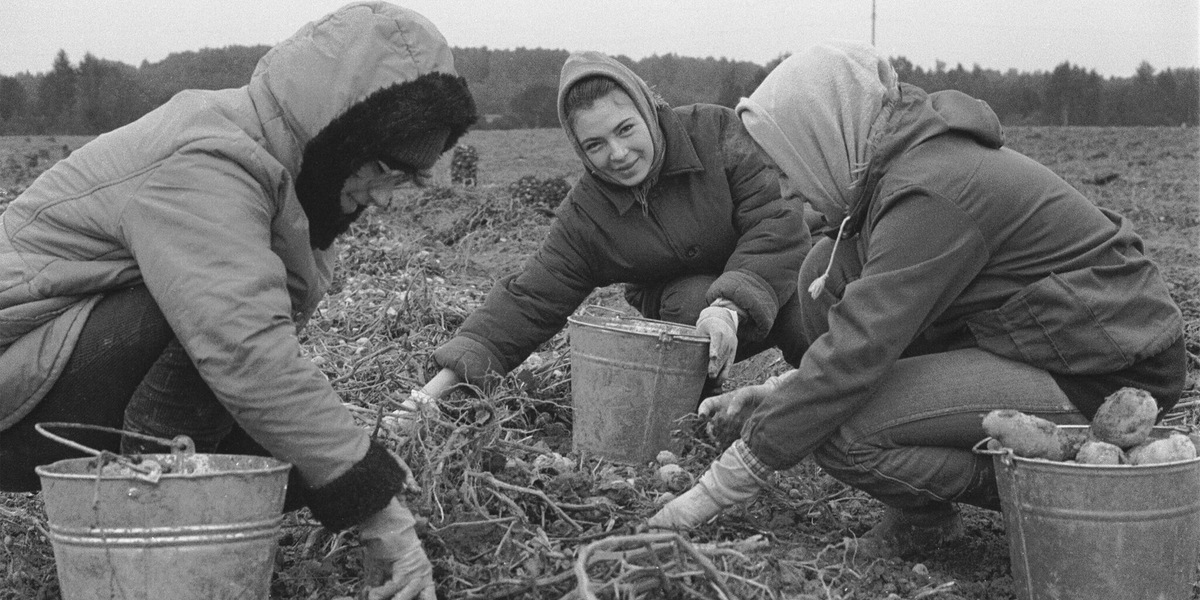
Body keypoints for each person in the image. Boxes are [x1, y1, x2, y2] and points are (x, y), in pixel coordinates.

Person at [0, 3, 477, 599]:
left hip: (46, 374)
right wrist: (376, 508)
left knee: (288, 455)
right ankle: (147, 532)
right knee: (205, 317)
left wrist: (342, 473)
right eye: (382, 167)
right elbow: (242, 345)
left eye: (408, 178)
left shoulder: (279, 173)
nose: (384, 197)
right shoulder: (210, 158)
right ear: (335, 129)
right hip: (14, 387)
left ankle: (167, 513)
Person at [648, 41, 1186, 559]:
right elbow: (865, 330)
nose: (786, 190)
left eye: (787, 167)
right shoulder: (899, 167)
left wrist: (714, 491)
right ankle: (925, 514)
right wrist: (777, 390)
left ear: (822, 136)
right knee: (826, 273)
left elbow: (855, 356)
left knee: (841, 431)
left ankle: (1062, 491)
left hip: (1108, 366)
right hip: (1040, 337)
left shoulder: (929, 191)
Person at [417, 50, 812, 404]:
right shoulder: (587, 215)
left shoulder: (717, 132)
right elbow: (530, 300)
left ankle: (823, 396)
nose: (618, 154)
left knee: (807, 303)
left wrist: (728, 308)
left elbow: (775, 222)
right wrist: (439, 387)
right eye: (595, 145)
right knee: (692, 302)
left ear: (648, 109)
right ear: (580, 150)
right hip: (685, 310)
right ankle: (693, 409)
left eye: (625, 129)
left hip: (768, 283)